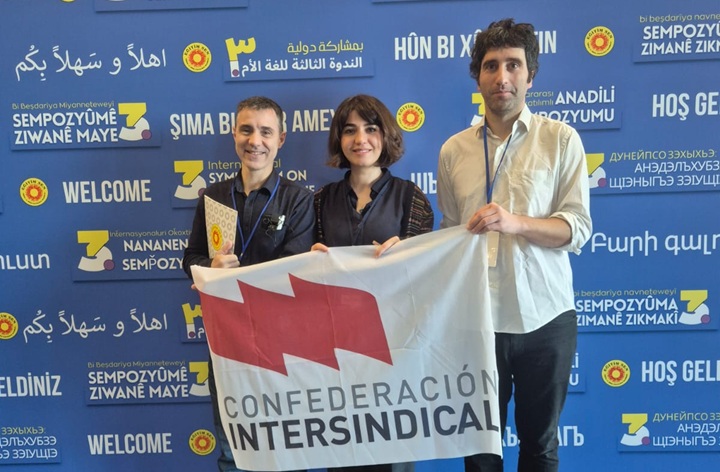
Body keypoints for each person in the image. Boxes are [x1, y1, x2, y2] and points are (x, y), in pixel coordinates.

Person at [436, 19, 592, 472]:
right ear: (478, 77)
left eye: (513, 65)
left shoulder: (560, 139)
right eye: (490, 66)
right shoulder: (453, 151)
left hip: (545, 316)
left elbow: (577, 228)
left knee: (540, 448)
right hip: (477, 321)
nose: (501, 76)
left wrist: (515, 223)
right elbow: (450, 233)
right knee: (480, 451)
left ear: (530, 75)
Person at [182, 96, 314, 472]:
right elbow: (190, 259)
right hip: (228, 341)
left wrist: (233, 279)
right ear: (234, 134)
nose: (255, 140)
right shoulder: (213, 197)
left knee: (289, 446)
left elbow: (295, 269)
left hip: (283, 344)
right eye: (247, 130)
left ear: (281, 139)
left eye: (266, 132)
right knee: (232, 448)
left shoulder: (298, 200)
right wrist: (210, 267)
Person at [313, 94, 434, 471]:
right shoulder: (321, 201)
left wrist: (408, 256)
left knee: (392, 454)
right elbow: (308, 280)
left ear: (386, 135)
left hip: (394, 348)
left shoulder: (411, 198)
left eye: (370, 128)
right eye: (349, 130)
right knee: (343, 454)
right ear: (339, 139)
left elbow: (428, 277)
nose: (360, 139)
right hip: (338, 351)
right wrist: (310, 262)